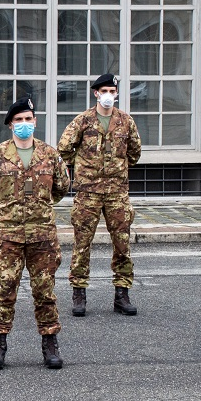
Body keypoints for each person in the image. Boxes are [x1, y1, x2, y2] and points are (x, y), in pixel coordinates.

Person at [0, 98, 71, 370]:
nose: (24, 124)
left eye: (28, 119)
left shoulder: (50, 155)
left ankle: (50, 343)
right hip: (9, 235)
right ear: (10, 125)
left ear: (35, 122)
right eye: (19, 120)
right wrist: (7, 205)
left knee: (45, 291)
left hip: (43, 235)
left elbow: (62, 187)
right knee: (5, 289)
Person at [57, 73, 142, 316]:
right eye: (103, 91)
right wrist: (84, 167)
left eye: (112, 92)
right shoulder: (83, 121)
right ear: (95, 93)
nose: (108, 96)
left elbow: (134, 152)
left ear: (116, 94)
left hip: (117, 192)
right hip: (88, 193)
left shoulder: (126, 121)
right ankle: (79, 293)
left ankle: (122, 294)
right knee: (82, 244)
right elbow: (64, 149)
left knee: (122, 244)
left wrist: (116, 168)